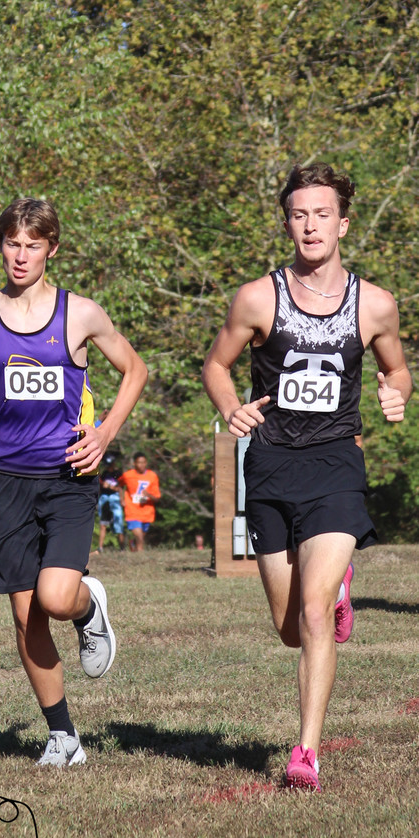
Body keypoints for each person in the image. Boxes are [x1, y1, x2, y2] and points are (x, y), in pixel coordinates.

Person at [202, 162, 412, 793]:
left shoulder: (374, 304)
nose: (311, 225)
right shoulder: (257, 297)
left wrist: (396, 392)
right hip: (268, 467)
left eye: (323, 214)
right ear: (287, 222)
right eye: (299, 214)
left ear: (343, 223)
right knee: (290, 626)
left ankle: (306, 752)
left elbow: (399, 369)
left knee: (316, 616)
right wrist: (229, 405)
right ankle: (335, 590)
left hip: (335, 469)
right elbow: (216, 364)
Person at [0, 197, 148, 767]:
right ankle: (63, 736)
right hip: (7, 481)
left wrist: (104, 433)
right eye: (12, 243)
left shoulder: (79, 314)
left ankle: (88, 608)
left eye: (33, 245)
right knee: (25, 614)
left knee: (57, 598)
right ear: (0, 246)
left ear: (51, 248)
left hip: (68, 476)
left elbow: (135, 370)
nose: (21, 255)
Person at [119, 452, 160, 551]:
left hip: (147, 512)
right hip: (132, 510)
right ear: (134, 463)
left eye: (143, 462)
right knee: (140, 537)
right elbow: (119, 485)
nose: (141, 465)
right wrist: (122, 499)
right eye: (139, 463)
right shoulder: (128, 475)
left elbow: (157, 498)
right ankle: (140, 559)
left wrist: (148, 495)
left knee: (141, 537)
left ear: (146, 463)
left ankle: (133, 543)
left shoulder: (152, 476)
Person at [96, 452, 125, 552]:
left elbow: (121, 488)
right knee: (103, 523)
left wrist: (121, 498)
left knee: (118, 522)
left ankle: (122, 547)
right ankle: (100, 547)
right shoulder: (104, 474)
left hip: (115, 498)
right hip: (104, 498)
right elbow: (100, 487)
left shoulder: (119, 474)